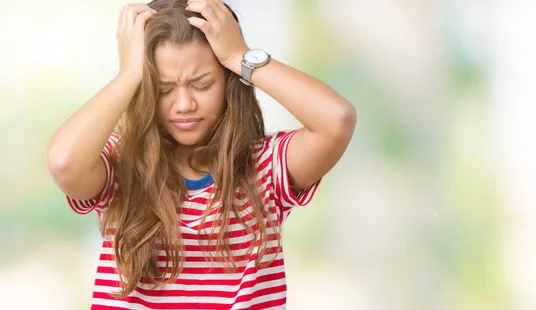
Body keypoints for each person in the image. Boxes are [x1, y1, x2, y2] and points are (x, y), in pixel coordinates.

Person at [45, 0, 356, 308]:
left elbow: (336, 119)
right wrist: (129, 74)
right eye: (164, 89)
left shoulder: (266, 169)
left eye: (202, 84)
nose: (184, 104)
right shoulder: (120, 165)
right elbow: (64, 162)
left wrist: (239, 55)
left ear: (229, 82)